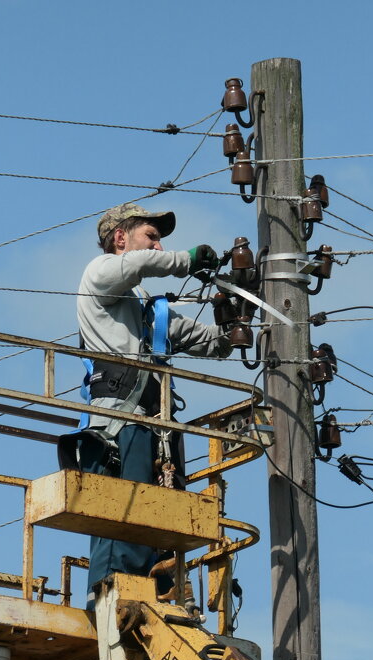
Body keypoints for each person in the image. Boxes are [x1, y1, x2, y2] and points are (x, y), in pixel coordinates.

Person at [74, 202, 232, 610]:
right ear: (121, 238)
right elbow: (139, 265)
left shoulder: (143, 308)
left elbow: (204, 339)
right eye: (152, 236)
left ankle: (163, 596)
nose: (159, 247)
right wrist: (187, 261)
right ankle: (111, 602)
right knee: (124, 515)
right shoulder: (99, 275)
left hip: (157, 427)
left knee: (161, 518)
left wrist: (235, 326)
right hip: (119, 424)